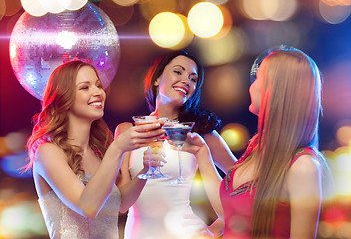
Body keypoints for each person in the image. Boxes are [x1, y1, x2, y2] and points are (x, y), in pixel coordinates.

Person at [183, 46, 327, 238]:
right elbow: (232, 212)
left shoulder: (303, 165)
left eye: (258, 78)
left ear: (277, 89)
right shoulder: (256, 145)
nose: (251, 85)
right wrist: (203, 155)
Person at [25, 60, 165, 238]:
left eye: (98, 86)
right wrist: (118, 148)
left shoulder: (100, 151)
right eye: (85, 87)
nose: (98, 92)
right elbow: (88, 207)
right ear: (64, 98)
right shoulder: (48, 152)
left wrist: (147, 170)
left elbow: (122, 204)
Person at [115, 50, 236, 239]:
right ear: (157, 78)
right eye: (178, 72)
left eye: (193, 79)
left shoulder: (199, 135)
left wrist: (216, 228)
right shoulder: (127, 131)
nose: (187, 81)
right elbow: (122, 205)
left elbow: (246, 186)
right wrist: (144, 171)